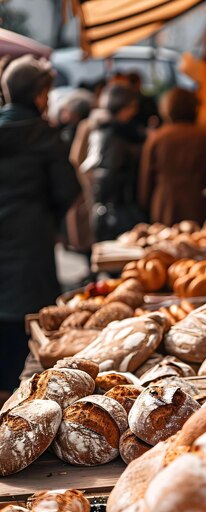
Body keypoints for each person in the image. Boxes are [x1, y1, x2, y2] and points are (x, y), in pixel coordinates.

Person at [0, 55, 80, 394]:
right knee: (30, 323)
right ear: (38, 95)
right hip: (31, 239)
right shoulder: (46, 136)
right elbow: (68, 190)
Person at [140, 87, 206, 226]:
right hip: (198, 201)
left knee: (164, 243)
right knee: (198, 242)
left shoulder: (156, 139)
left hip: (164, 203)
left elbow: (146, 180)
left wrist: (145, 205)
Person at [80, 83, 146, 241]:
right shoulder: (118, 134)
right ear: (126, 106)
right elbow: (110, 174)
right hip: (117, 210)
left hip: (105, 209)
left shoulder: (101, 128)